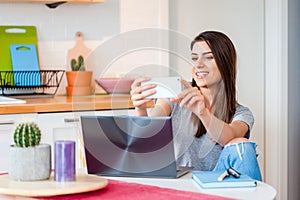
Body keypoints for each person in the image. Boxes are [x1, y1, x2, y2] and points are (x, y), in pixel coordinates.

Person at [130, 30, 262, 181]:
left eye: (209, 57)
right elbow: (148, 134)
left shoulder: (242, 113)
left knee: (242, 145)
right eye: (194, 58)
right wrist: (140, 109)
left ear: (225, 63)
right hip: (180, 183)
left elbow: (228, 138)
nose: (198, 64)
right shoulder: (176, 95)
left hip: (217, 184)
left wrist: (202, 112)